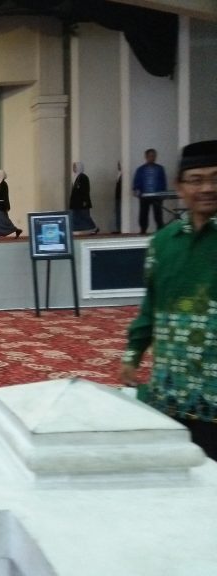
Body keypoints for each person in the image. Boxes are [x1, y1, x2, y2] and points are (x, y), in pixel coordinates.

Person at [120, 139, 217, 459]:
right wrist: (133, 352)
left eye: (215, 178)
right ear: (179, 187)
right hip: (172, 392)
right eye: (196, 180)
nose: (207, 188)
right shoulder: (163, 243)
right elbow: (152, 305)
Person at [132, 148, 168, 234]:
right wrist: (136, 190)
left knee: (158, 214)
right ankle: (143, 230)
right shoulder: (140, 169)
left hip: (157, 195)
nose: (152, 158)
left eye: (154, 156)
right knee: (143, 214)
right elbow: (136, 181)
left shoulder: (160, 169)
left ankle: (160, 232)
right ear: (146, 157)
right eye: (150, 156)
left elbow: (163, 181)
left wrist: (163, 193)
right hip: (144, 195)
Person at [0, 169, 22, 240]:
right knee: (3, 220)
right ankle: (16, 230)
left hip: (1, 206)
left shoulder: (3, 184)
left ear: (0, 175)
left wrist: (7, 206)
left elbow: (5, 196)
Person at [69, 161, 99, 234]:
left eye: (75, 167)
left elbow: (85, 190)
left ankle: (94, 228)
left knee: (85, 216)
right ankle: (75, 230)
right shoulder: (76, 177)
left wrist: (85, 201)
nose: (73, 168)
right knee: (76, 216)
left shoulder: (83, 177)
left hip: (81, 202)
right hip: (76, 202)